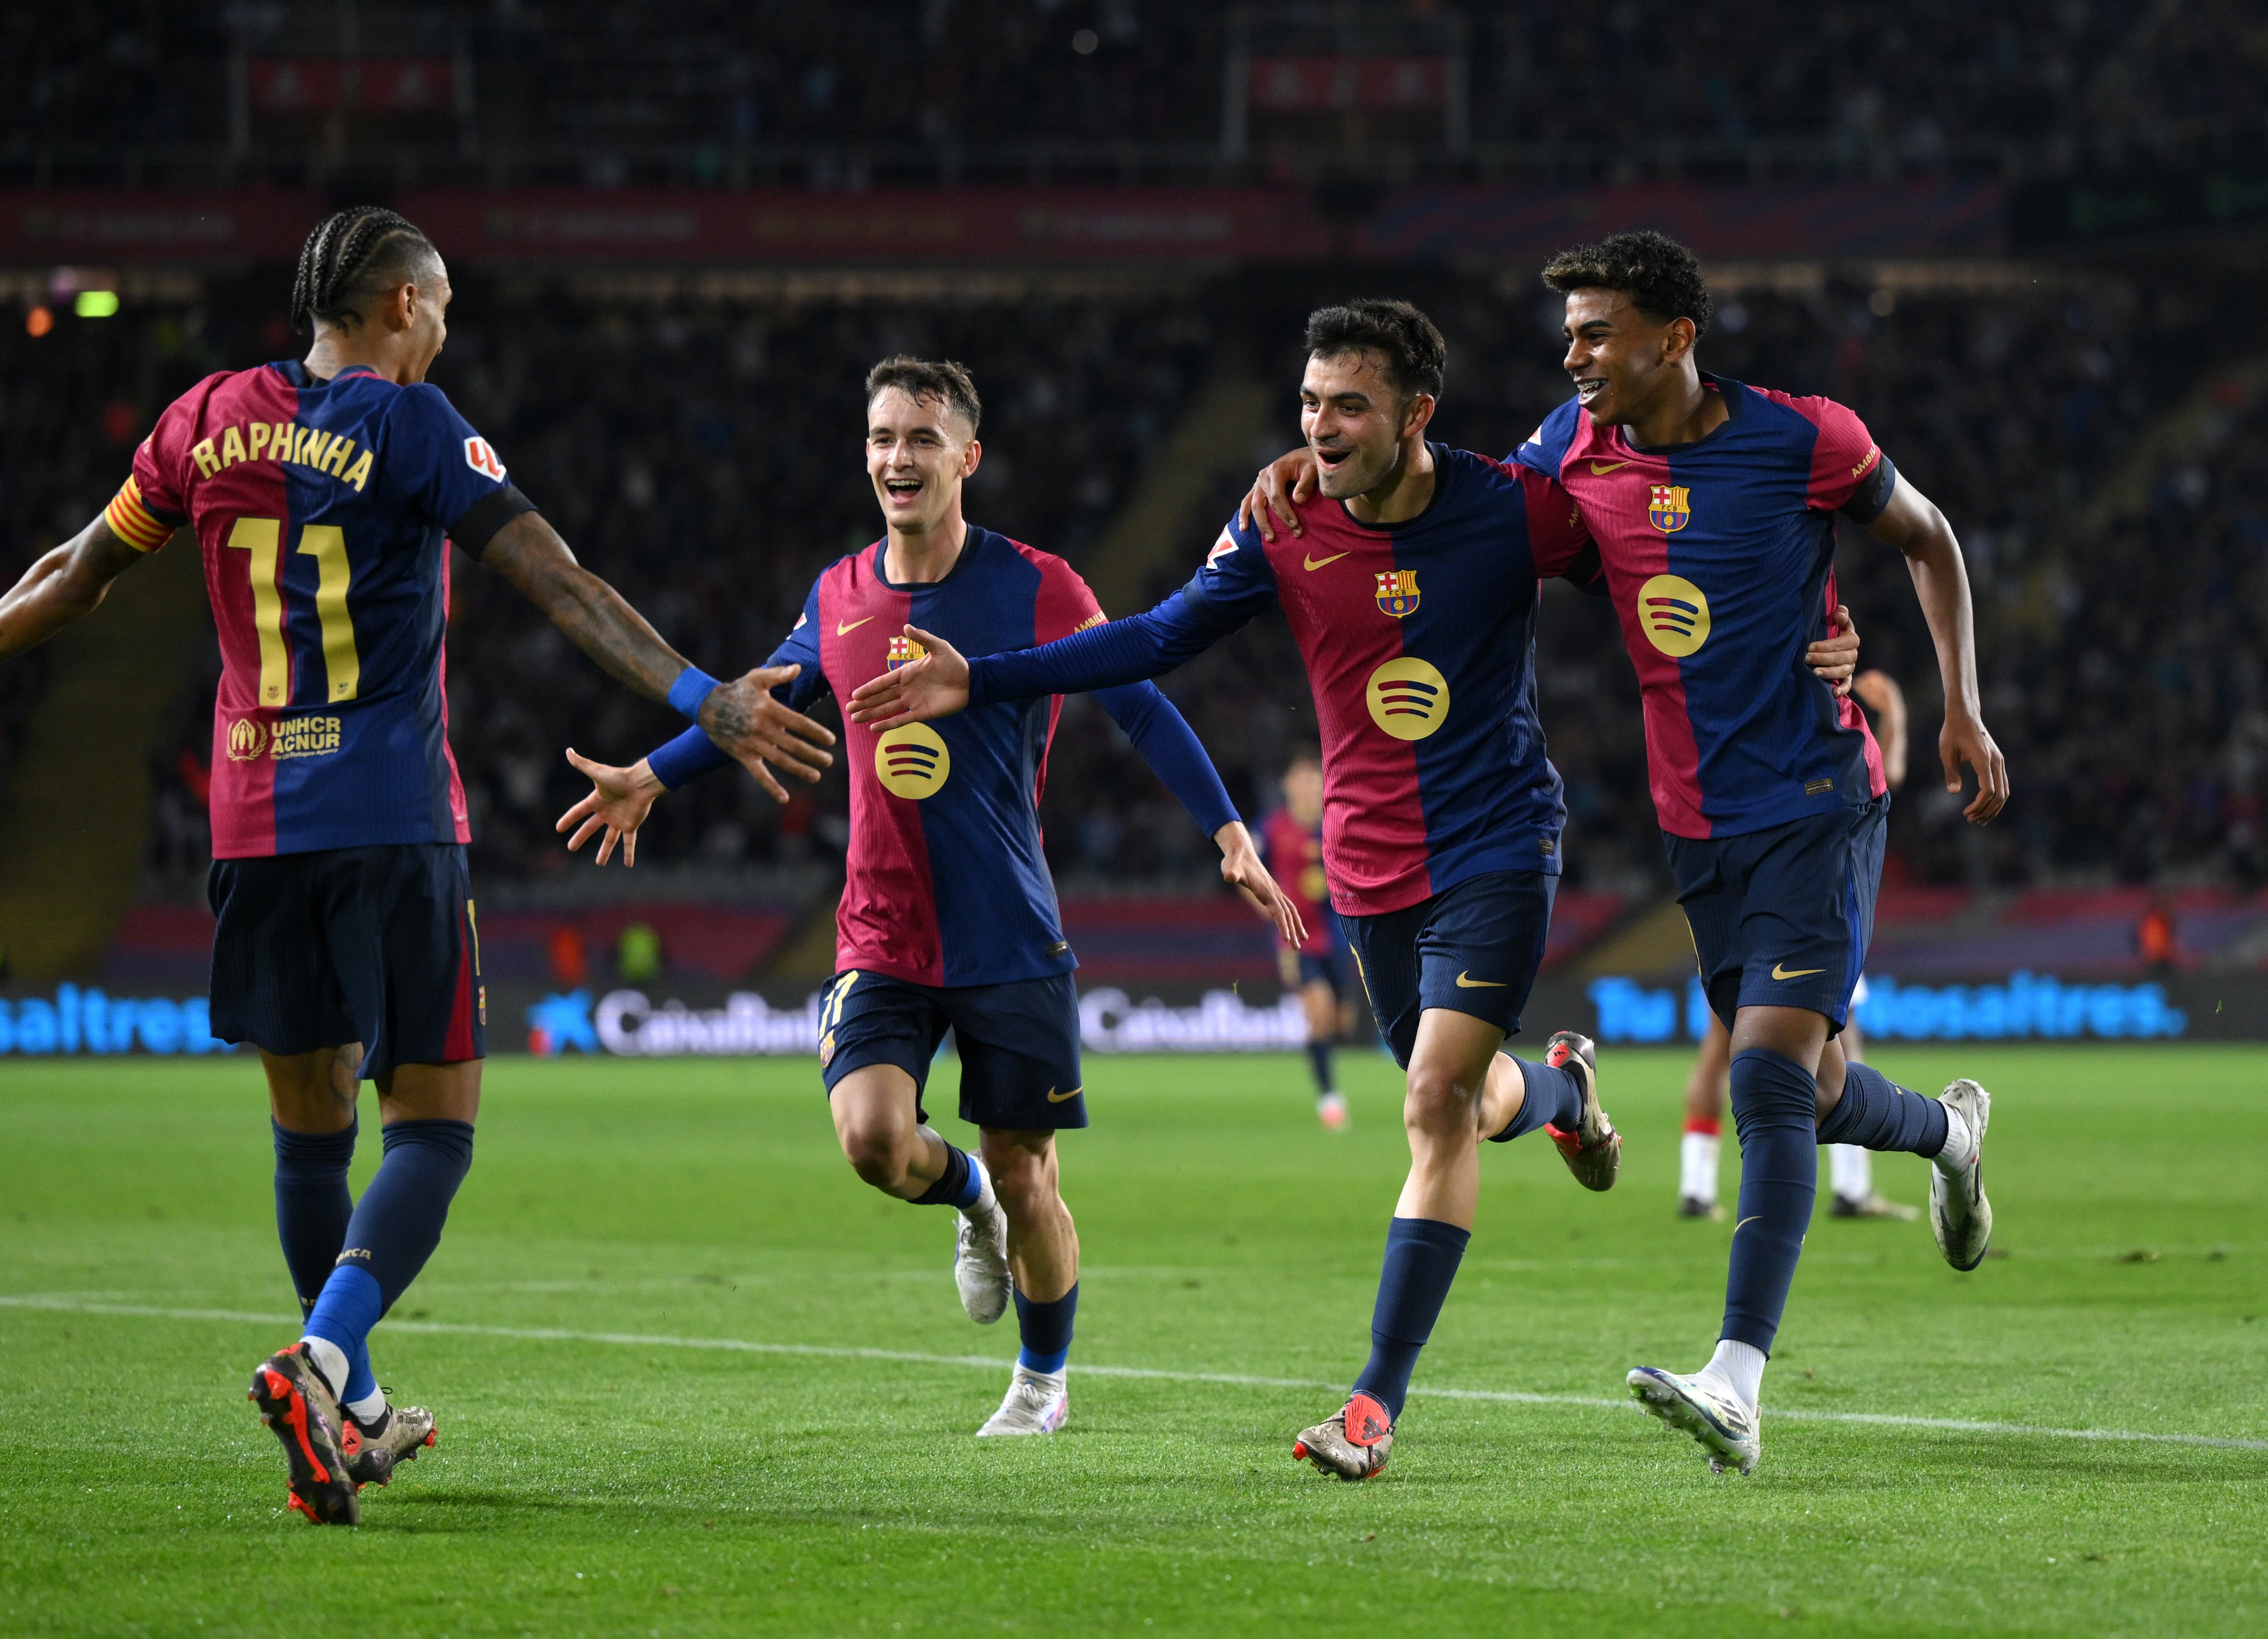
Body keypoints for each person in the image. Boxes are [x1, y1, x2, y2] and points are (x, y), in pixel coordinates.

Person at [0, 205, 835, 1524]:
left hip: (251, 823)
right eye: (438, 306)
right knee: (433, 1123)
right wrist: (699, 695)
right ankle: (323, 1360)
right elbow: (559, 580)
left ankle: (360, 1409)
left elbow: (75, 572)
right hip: (388, 815)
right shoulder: (413, 426)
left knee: (307, 1127)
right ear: (395, 305)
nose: (446, 328)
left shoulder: (204, 418)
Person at [845, 301, 1854, 1480]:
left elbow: (1657, 549)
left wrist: (1815, 630)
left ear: (1415, 414)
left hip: (1495, 846)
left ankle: (1371, 1405)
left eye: (1348, 406)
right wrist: (987, 680)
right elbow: (1156, 637)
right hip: (1367, 873)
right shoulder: (1277, 521)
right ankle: (1564, 1096)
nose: (1320, 427)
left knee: (1431, 1105)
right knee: (1464, 1101)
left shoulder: (1510, 506)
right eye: (1309, 406)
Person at [555, 356, 1301, 1439]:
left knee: (1033, 1170)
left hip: (1005, 929)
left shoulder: (1037, 585)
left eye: (918, 437)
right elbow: (750, 708)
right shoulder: (838, 590)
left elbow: (1134, 700)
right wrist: (649, 774)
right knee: (870, 1139)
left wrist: (1228, 832)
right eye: (880, 438)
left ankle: (1040, 1381)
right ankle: (967, 1202)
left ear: (966, 457)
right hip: (881, 930)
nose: (896, 457)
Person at [1509, 230, 2007, 1473]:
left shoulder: (1805, 438)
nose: (1572, 354)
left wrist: (1959, 706)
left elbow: (1931, 537)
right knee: (1822, 1084)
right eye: (1567, 331)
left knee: (1768, 1077)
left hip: (1819, 795)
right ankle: (1948, 1137)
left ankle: (1736, 1379)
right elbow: (1453, 516)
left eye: (1595, 330)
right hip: (1697, 821)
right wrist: (1309, 476)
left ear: (1673, 338)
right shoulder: (1569, 449)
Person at [1678, 666, 1918, 1222]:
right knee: (1839, 1048)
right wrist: (1896, 719)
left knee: (1719, 1052)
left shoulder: (1740, 726)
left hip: (1731, 890)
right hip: (1803, 903)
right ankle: (1851, 1188)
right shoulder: (1816, 729)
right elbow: (1884, 775)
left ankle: (1695, 1186)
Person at [1257, 745, 1357, 1129]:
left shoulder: (1338, 823)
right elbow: (1248, 874)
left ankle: (1327, 1068)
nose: (1307, 785)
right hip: (1296, 938)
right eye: (1300, 778)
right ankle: (1329, 1098)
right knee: (1317, 1010)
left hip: (1339, 935)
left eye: (1314, 778)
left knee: (1340, 1021)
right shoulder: (1271, 827)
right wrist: (1272, 914)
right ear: (1286, 784)